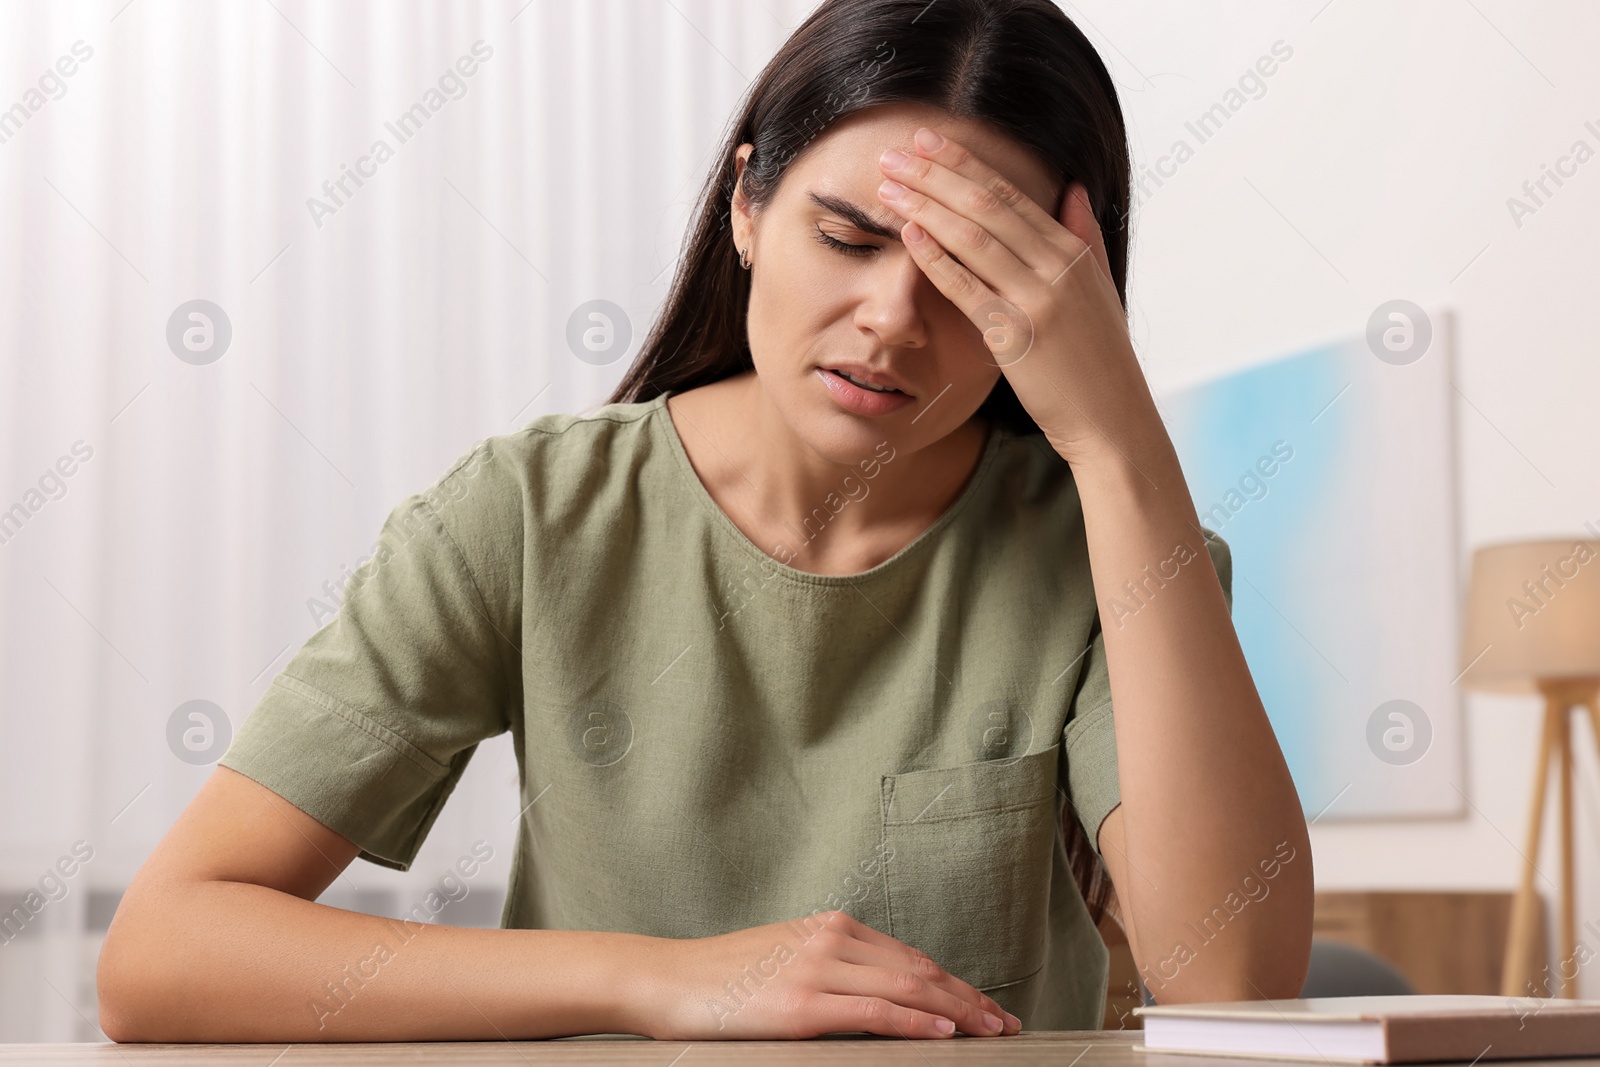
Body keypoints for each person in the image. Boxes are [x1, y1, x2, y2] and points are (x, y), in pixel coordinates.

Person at [97, 0, 1312, 1043]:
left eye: (966, 273)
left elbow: (1236, 978)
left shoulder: (1102, 544)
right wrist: (658, 976)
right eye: (847, 237)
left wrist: (1120, 443)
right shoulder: (529, 514)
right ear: (746, 209)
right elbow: (160, 952)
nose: (891, 317)